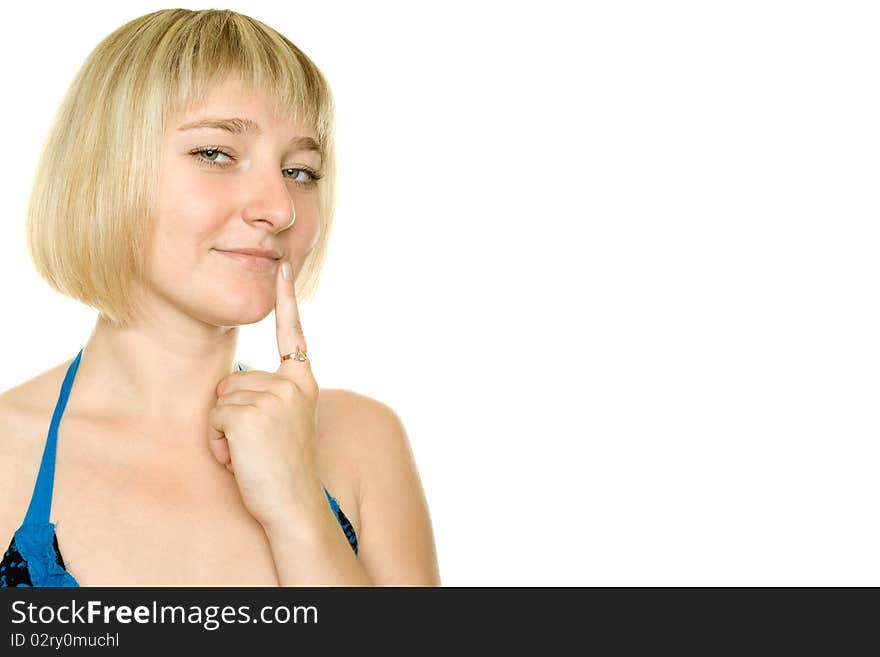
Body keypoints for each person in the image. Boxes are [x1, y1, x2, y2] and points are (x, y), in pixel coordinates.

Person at [0, 8, 440, 587]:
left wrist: (296, 503)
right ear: (103, 169)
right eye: (216, 154)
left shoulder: (360, 443)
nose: (280, 208)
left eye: (301, 171)